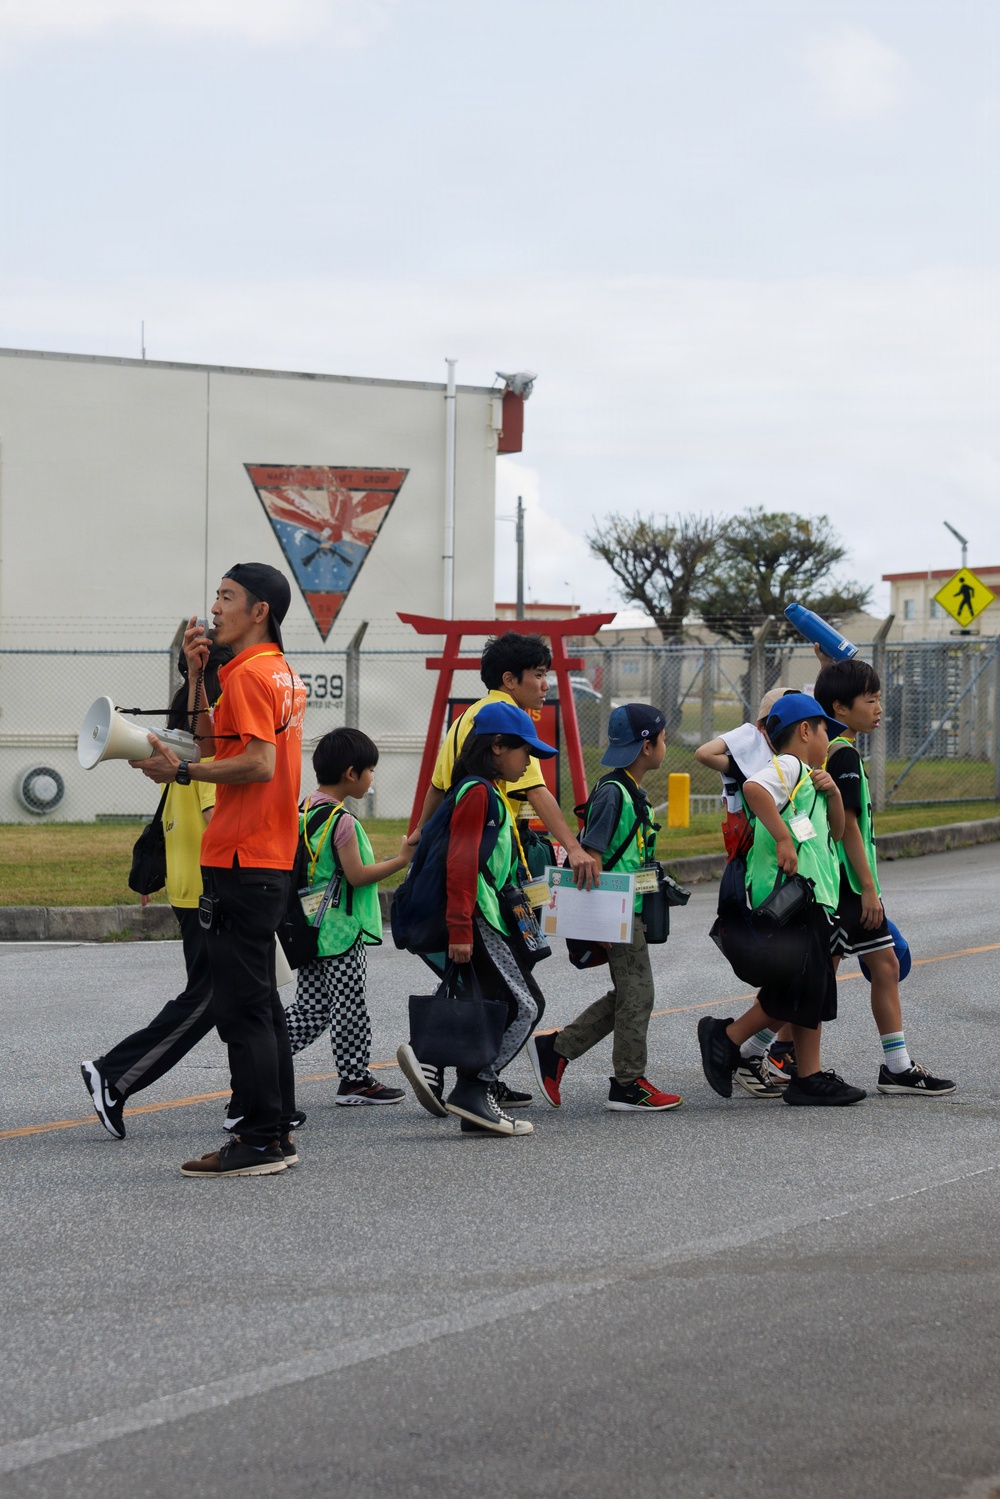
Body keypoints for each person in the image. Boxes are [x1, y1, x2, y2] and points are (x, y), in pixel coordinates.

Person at [131, 562, 307, 1177]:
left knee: (242, 1008)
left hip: (241, 855)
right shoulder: (271, 671)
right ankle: (275, 1135)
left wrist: (179, 773)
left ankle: (258, 1141)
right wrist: (200, 674)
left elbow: (253, 765)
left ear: (260, 610)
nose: (216, 608)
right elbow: (213, 743)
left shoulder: (255, 674)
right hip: (265, 857)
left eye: (228, 598)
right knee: (259, 1003)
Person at [408, 630, 598, 1110]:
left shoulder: (463, 722)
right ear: (509, 680)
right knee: (510, 983)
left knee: (489, 974)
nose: (545, 686)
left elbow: (435, 784)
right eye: (538, 676)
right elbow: (538, 793)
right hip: (489, 878)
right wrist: (573, 847)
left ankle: (464, 1067)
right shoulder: (504, 725)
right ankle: (470, 1074)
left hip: (487, 871)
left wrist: (421, 833)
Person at [81, 645, 231, 1138]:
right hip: (215, 890)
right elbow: (218, 824)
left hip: (194, 890)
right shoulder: (210, 755)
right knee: (212, 998)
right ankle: (115, 1075)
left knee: (251, 997)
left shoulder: (186, 748)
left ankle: (262, 1099)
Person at [697, 693, 867, 1107]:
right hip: (793, 897)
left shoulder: (810, 774)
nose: (830, 735)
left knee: (810, 985)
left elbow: (838, 831)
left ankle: (806, 1075)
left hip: (815, 896)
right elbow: (754, 789)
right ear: (805, 731)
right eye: (825, 728)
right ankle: (730, 1038)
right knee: (802, 983)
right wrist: (783, 837)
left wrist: (833, 796)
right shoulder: (789, 765)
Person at [399, 701, 554, 1137]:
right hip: (477, 916)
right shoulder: (479, 793)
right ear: (498, 746)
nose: (529, 761)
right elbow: (461, 862)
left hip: (480, 915)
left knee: (498, 1005)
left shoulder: (480, 790)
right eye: (524, 750)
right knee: (526, 1006)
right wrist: (461, 929)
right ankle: (474, 1088)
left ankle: (475, 1101)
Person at [527, 704, 684, 1113]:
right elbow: (589, 859)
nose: (664, 745)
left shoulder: (630, 791)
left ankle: (556, 1050)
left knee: (632, 993)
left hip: (627, 909)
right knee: (639, 993)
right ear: (646, 745)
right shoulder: (615, 794)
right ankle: (628, 1083)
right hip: (613, 913)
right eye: (663, 738)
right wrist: (600, 925)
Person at [813, 659, 955, 1096]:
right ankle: (743, 1045)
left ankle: (896, 1066)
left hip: (846, 884)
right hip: (848, 887)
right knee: (818, 975)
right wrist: (870, 889)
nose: (879, 708)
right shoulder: (844, 754)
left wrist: (830, 665)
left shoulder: (826, 744)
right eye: (870, 700)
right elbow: (849, 826)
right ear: (840, 707)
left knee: (884, 965)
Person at [281, 727, 413, 1105]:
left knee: (312, 1007)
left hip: (308, 930)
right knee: (349, 1005)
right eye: (370, 770)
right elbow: (357, 875)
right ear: (352, 773)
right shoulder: (343, 822)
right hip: (341, 931)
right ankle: (355, 1080)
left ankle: (263, 1060)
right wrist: (400, 860)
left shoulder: (300, 812)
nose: (373, 778)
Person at [694, 687, 796, 1097]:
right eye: (776, 719)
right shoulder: (748, 753)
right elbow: (705, 753)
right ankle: (752, 1047)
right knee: (793, 964)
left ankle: (766, 1048)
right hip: (758, 865)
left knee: (801, 964)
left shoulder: (792, 759)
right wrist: (746, 739)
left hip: (788, 864)